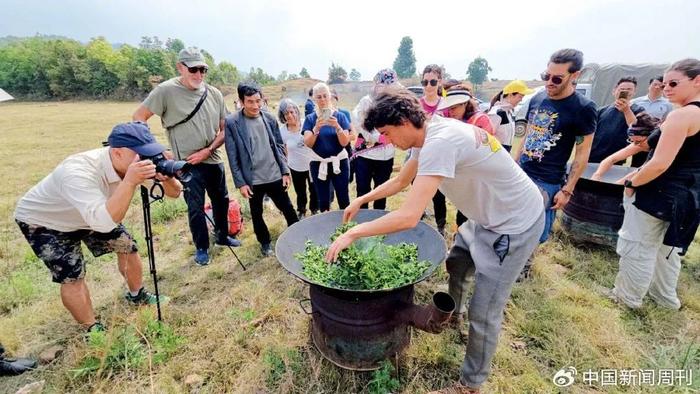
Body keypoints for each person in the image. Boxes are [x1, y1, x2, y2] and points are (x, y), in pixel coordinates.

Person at [325, 89, 544, 394]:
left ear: (403, 121)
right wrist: (362, 198)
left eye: (387, 133)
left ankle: (470, 385)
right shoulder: (427, 135)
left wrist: (353, 233)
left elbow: (408, 216)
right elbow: (402, 181)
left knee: (485, 312)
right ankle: (452, 318)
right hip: (484, 217)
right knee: (457, 262)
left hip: (513, 224)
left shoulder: (440, 143)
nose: (388, 140)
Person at [14, 122, 182, 332]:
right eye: (141, 155)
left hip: (95, 212)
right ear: (117, 153)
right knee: (72, 275)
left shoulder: (132, 164)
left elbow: (174, 194)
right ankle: (92, 329)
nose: (145, 160)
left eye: (150, 154)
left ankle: (137, 295)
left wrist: (167, 177)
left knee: (127, 246)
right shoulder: (77, 171)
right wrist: (129, 182)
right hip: (46, 221)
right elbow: (102, 222)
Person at [133, 47, 240, 267]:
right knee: (195, 207)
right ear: (181, 67)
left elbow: (225, 129)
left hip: (212, 158)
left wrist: (208, 150)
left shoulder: (215, 94)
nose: (199, 75)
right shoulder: (165, 91)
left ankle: (221, 236)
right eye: (193, 69)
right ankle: (201, 248)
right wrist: (159, 151)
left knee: (222, 200)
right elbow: (138, 118)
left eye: (203, 69)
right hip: (186, 163)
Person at [607, 58, 700, 310]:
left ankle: (626, 299)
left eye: (673, 83)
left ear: (697, 81)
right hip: (689, 196)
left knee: (638, 246)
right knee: (666, 250)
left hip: (659, 192)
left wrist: (632, 181)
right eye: (664, 82)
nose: (666, 87)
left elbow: (659, 163)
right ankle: (665, 299)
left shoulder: (683, 115)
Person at [516, 49, 597, 278]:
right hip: (523, 171)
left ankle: (524, 268)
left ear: (575, 76)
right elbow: (528, 134)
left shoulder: (583, 108)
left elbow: (582, 153)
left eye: (557, 78)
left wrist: (567, 190)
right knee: (513, 219)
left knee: (535, 228)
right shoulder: (538, 98)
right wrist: (513, 164)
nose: (549, 82)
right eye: (546, 76)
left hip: (548, 180)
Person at [225, 82, 299, 257]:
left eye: (258, 101)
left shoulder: (269, 118)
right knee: (256, 213)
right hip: (253, 180)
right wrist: (241, 183)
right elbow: (232, 155)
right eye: (250, 101)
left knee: (287, 207)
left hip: (274, 174)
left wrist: (285, 171)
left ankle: (298, 234)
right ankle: (265, 243)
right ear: (241, 101)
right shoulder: (232, 122)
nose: (255, 105)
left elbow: (279, 146)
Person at [438, 86, 496, 228]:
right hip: (463, 177)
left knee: (473, 217)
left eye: (454, 108)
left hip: (479, 178)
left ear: (465, 104)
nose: (450, 112)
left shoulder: (481, 120)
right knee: (463, 214)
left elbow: (487, 151)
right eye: (449, 108)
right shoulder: (454, 121)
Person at [351, 68, 398, 210]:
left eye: (390, 85)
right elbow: (358, 122)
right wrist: (377, 137)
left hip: (386, 156)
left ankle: (378, 223)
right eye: (382, 84)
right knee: (363, 191)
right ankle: (362, 222)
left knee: (381, 192)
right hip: (366, 155)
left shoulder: (394, 102)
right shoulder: (367, 101)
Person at [302, 82, 352, 212]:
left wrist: (338, 127)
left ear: (329, 97)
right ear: (314, 99)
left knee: (343, 197)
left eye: (325, 96)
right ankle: (326, 228)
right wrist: (316, 128)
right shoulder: (310, 119)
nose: (322, 99)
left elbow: (345, 142)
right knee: (323, 200)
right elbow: (308, 143)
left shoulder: (340, 116)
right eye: (319, 97)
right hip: (318, 163)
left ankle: (347, 226)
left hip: (339, 162)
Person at [419, 64, 449, 235]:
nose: (428, 86)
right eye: (425, 82)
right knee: (419, 191)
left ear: (439, 82)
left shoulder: (445, 105)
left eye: (432, 81)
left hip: (438, 156)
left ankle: (440, 227)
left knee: (439, 195)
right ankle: (417, 221)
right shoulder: (417, 104)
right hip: (420, 154)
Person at [278, 98, 318, 218]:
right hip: (295, 166)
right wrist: (285, 170)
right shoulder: (282, 131)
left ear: (297, 111)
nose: (290, 115)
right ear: (283, 116)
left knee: (314, 189)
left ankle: (314, 209)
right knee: (300, 191)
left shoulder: (307, 123)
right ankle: (301, 210)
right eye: (286, 113)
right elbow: (283, 151)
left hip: (311, 164)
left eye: (292, 111)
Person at [591, 113, 660, 181]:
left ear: (651, 137)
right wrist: (597, 174)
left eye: (638, 141)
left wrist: (618, 184)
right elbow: (611, 159)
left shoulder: (661, 144)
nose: (636, 145)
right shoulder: (639, 144)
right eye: (632, 141)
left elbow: (644, 170)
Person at [588, 77, 644, 164]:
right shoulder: (602, 110)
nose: (625, 91)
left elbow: (636, 129)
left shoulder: (638, 109)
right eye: (622, 89)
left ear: (634, 92)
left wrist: (626, 110)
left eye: (629, 89)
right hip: (593, 155)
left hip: (616, 158)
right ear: (614, 91)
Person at [488, 80, 534, 152]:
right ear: (510, 95)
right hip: (496, 152)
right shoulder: (497, 112)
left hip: (505, 151)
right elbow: (487, 136)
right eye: (520, 96)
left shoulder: (510, 112)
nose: (521, 100)